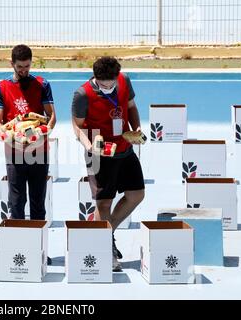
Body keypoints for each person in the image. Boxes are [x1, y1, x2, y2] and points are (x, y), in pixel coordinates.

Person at [71, 57, 145, 272]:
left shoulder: (124, 80)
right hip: (99, 153)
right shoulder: (82, 94)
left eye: (111, 83)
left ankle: (103, 233)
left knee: (137, 194)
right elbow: (77, 127)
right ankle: (105, 247)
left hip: (124, 147)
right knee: (104, 203)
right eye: (104, 84)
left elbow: (131, 106)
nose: (109, 87)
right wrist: (88, 146)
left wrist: (137, 127)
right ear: (95, 78)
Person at [0, 44, 56, 264]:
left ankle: (39, 251)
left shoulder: (43, 84)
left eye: (27, 66)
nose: (24, 70)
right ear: (12, 64)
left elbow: (52, 117)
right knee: (17, 203)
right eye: (20, 67)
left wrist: (42, 132)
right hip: (15, 153)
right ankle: (19, 251)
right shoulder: (1, 88)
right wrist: (10, 137)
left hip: (39, 151)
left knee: (38, 203)